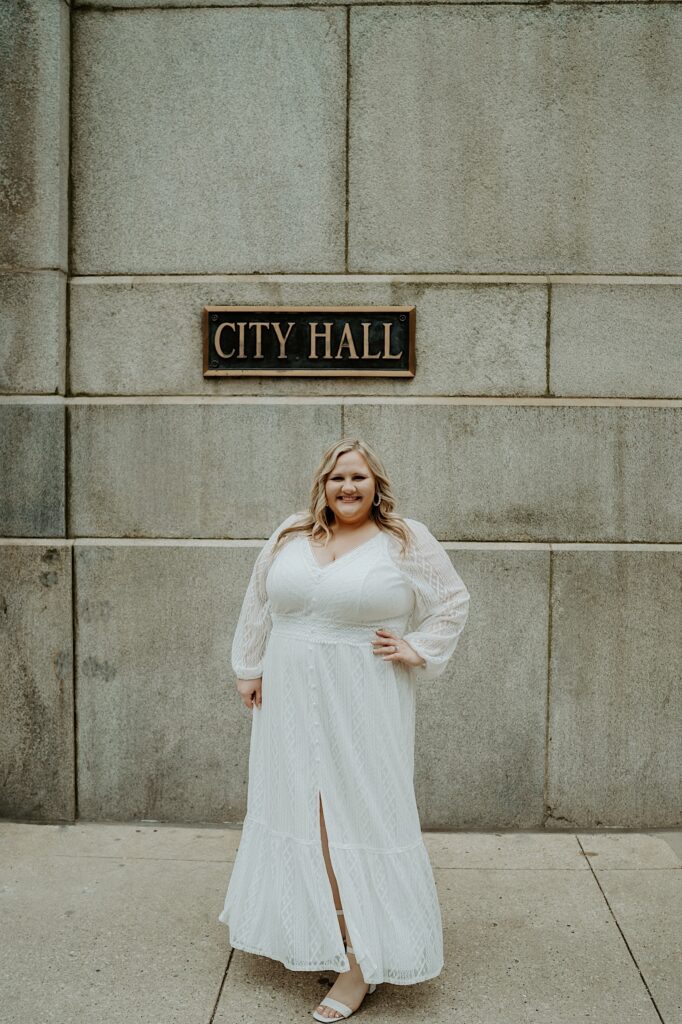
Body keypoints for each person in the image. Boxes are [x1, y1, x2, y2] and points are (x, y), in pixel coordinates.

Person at [218, 438, 470, 1021]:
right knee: (304, 815)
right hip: (287, 698)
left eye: (357, 477)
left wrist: (418, 646)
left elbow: (452, 601)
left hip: (362, 696)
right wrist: (248, 667)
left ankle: (361, 959)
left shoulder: (405, 539)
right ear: (322, 486)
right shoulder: (291, 533)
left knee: (354, 816)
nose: (347, 487)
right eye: (336, 478)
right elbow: (258, 602)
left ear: (376, 484)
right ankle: (330, 933)